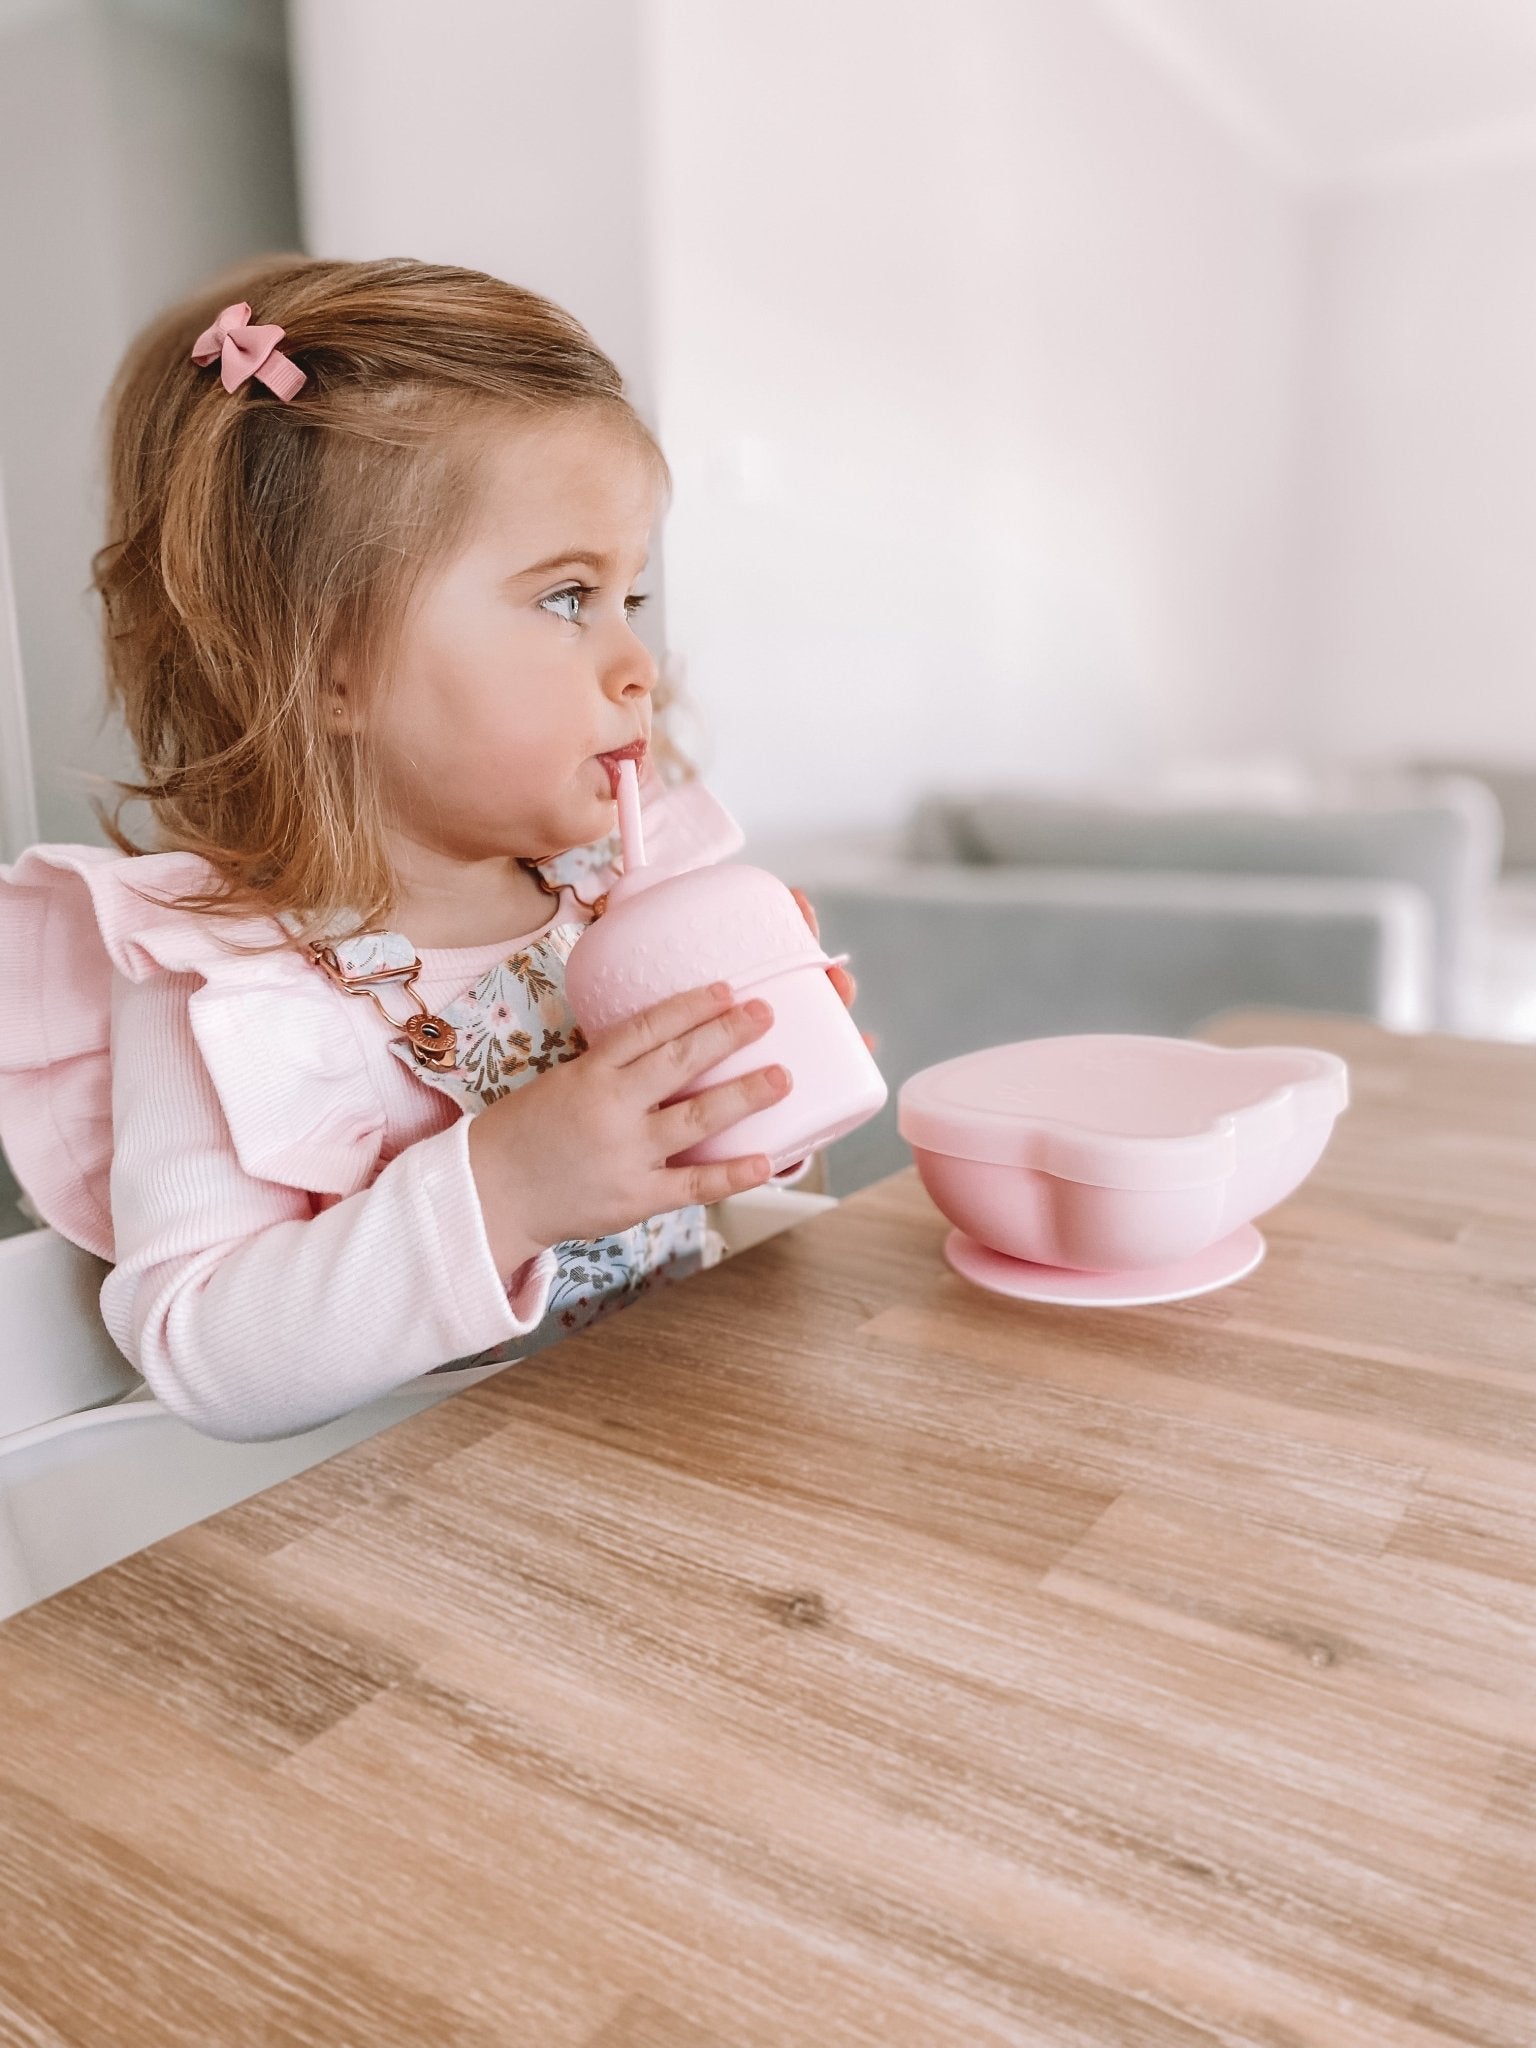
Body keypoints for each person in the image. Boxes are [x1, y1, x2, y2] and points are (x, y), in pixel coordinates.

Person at [0, 256, 858, 1441]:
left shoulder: (611, 893)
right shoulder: (224, 984)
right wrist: (504, 1186)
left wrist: (757, 1107)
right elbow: (200, 1350)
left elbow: (724, 1225)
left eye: (631, 599)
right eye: (568, 597)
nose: (636, 664)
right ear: (330, 665)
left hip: (680, 1454)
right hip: (415, 1549)